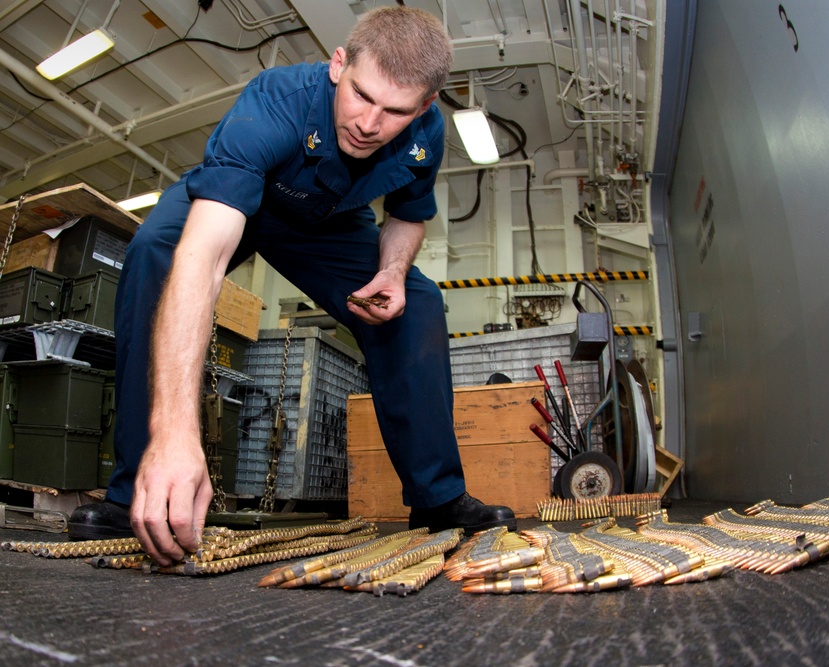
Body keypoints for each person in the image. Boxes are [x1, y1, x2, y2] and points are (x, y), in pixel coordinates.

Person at [68, 6, 516, 565]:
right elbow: (205, 256)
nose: (369, 124)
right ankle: (138, 485)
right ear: (337, 64)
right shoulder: (274, 104)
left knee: (417, 304)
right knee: (158, 254)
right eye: (360, 95)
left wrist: (393, 271)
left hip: (327, 223)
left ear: (424, 106)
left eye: (394, 111)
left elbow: (408, 212)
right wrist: (179, 434)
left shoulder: (425, 135)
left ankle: (438, 498)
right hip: (242, 198)